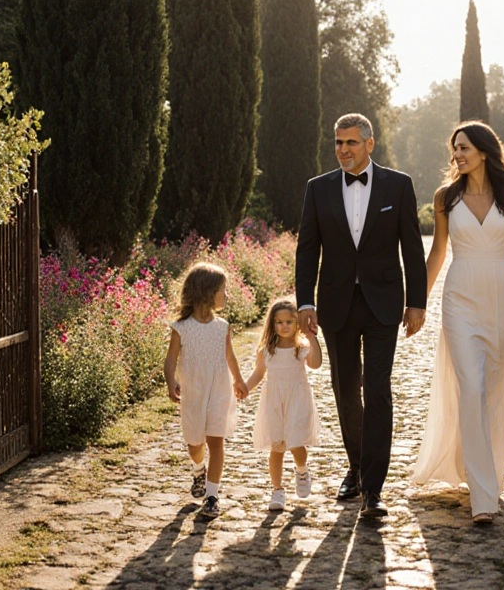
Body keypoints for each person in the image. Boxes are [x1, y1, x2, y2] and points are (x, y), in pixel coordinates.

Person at [296, 112, 428, 519]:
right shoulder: (317, 189)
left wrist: (417, 302)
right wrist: (305, 302)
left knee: (378, 389)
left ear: (370, 144)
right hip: (335, 303)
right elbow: (307, 249)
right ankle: (355, 465)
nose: (342, 150)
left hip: (383, 303)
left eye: (351, 142)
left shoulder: (398, 185)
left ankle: (373, 487)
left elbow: (412, 248)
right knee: (345, 389)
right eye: (338, 142)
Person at [410, 121, 504, 525]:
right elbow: (436, 254)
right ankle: (484, 497)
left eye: (464, 148)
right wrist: (417, 301)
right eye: (454, 150)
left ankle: (486, 471)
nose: (457, 156)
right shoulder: (445, 197)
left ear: (484, 151)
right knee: (471, 386)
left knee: (494, 392)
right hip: (461, 296)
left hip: (501, 298)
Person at [163, 262, 249, 520]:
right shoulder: (182, 327)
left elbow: (230, 357)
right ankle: (198, 468)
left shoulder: (222, 327)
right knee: (194, 443)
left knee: (216, 441)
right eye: (223, 290)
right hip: (193, 392)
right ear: (206, 292)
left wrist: (239, 380)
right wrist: (171, 381)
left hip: (219, 391)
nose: (227, 295)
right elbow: (170, 360)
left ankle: (212, 496)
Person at [246, 298, 324, 511]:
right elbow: (258, 374)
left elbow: (316, 364)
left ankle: (301, 470)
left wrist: (311, 337)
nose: (284, 326)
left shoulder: (301, 348)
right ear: (272, 324)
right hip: (273, 402)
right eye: (279, 322)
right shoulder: (267, 350)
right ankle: (277, 490)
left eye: (289, 322)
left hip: (297, 399)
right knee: (277, 446)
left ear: (297, 322)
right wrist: (244, 388)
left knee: (296, 442)